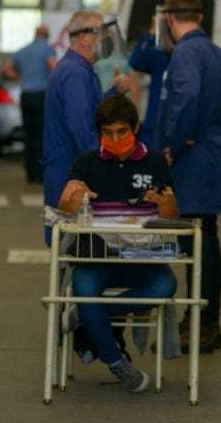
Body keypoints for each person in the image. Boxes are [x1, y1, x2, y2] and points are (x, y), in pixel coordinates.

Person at [57, 95, 179, 392]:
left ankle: (86, 314)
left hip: (144, 256)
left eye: (121, 132)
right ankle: (117, 363)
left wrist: (168, 205)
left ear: (135, 128)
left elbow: (171, 215)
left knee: (166, 286)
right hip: (100, 257)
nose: (115, 139)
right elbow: (64, 207)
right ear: (99, 133)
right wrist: (70, 200)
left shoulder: (155, 162)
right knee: (85, 288)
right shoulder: (86, 163)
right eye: (107, 133)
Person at [156, 0, 221, 353]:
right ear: (200, 16)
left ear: (169, 18)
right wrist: (217, 132)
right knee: (208, 241)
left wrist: (176, 145)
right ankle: (208, 324)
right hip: (211, 157)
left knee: (195, 245)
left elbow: (188, 97)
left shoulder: (184, 53)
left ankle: (198, 325)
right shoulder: (215, 53)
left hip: (191, 163)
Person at [43, 10, 130, 245]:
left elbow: (91, 110)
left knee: (69, 245)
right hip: (68, 171)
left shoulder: (80, 70)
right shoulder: (74, 73)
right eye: (100, 32)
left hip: (68, 168)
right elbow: (83, 129)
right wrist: (110, 166)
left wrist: (114, 93)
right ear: (83, 38)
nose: (106, 38)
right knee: (68, 244)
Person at [2, 25, 57, 183]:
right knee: (40, 135)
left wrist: (20, 77)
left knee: (29, 134)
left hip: (26, 95)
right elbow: (54, 67)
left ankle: (29, 174)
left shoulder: (24, 50)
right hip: (41, 96)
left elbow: (6, 67)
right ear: (47, 36)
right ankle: (39, 173)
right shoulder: (48, 49)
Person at [128, 15, 170, 148]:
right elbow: (135, 61)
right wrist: (152, 33)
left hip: (174, 125)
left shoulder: (185, 54)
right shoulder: (159, 53)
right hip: (154, 122)